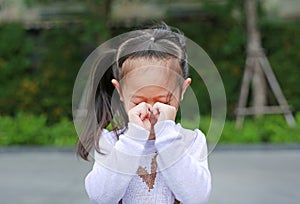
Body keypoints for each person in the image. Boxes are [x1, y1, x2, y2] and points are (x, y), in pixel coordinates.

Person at [76, 23, 211, 204]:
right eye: (138, 102)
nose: (152, 110)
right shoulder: (110, 142)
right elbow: (101, 197)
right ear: (121, 93)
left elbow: (196, 197)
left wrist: (167, 137)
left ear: (183, 90)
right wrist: (133, 139)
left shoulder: (191, 142)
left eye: (164, 101)